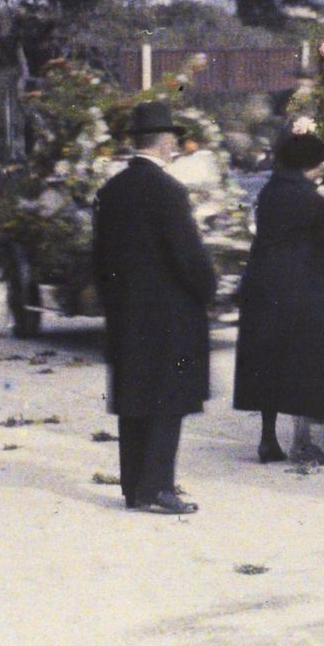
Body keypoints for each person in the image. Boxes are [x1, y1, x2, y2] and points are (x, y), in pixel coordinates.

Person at [92, 101, 220, 515]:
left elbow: (100, 258)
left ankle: (134, 487)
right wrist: (208, 289)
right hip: (169, 314)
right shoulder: (168, 191)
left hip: (126, 312)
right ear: (165, 142)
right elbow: (188, 256)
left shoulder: (112, 190)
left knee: (133, 398)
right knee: (168, 400)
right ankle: (158, 486)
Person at [233, 128, 324, 465]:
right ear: (307, 164)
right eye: (319, 165)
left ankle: (268, 440)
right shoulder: (300, 195)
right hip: (296, 290)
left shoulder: (272, 190)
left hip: (263, 288)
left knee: (268, 365)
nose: (321, 171)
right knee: (303, 363)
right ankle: (302, 444)